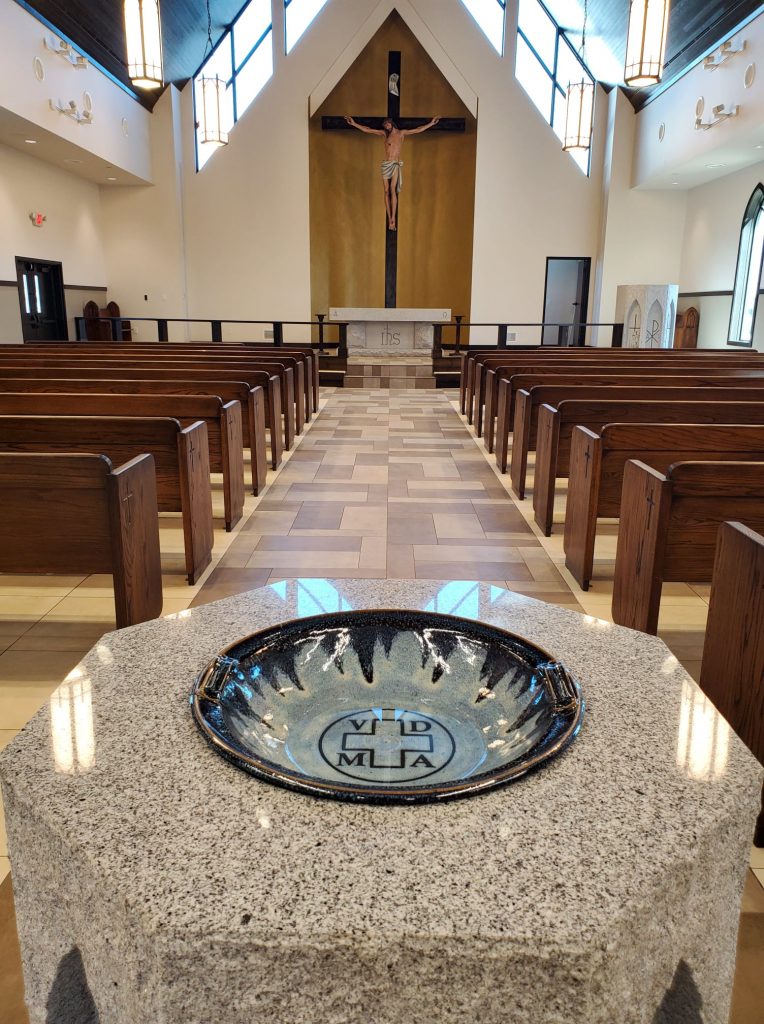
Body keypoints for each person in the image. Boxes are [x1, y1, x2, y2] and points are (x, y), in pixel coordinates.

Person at [344, 115, 440, 230]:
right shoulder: (385, 134)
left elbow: (418, 130)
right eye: (384, 125)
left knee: (392, 190)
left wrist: (431, 123)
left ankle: (393, 218)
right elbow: (368, 130)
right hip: (386, 164)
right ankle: (389, 216)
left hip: (395, 164)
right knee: (385, 190)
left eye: (387, 124)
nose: (386, 127)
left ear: (391, 123)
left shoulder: (401, 133)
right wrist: (354, 124)